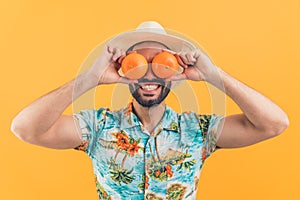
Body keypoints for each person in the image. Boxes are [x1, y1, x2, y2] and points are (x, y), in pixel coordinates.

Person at [11, 21, 289, 200]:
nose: (149, 75)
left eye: (160, 64)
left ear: (174, 71)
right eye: (139, 64)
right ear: (125, 70)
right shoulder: (97, 127)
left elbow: (274, 124)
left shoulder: (198, 132)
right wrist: (90, 78)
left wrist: (214, 75)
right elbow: (25, 129)